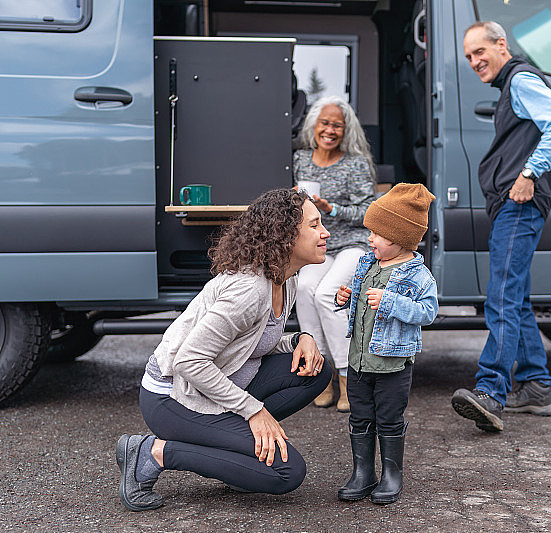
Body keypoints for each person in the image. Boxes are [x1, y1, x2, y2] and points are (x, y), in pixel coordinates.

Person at [116, 189, 333, 511]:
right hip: (174, 398)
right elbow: (189, 361)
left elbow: (254, 341)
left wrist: (301, 339)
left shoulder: (285, 278)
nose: (325, 233)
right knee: (286, 473)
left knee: (317, 370)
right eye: (314, 225)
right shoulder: (248, 289)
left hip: (220, 384)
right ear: (286, 236)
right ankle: (152, 452)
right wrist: (253, 411)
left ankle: (235, 458)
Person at [451, 21, 551, 432]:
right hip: (514, 203)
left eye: (479, 52)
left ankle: (491, 391)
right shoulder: (513, 86)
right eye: (469, 56)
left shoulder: (521, 80)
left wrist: (529, 173)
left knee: (502, 294)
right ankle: (538, 387)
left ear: (501, 45)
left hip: (519, 203)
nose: (474, 61)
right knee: (517, 297)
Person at [334, 183, 438, 505]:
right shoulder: (367, 263)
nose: (369, 239)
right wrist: (345, 298)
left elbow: (428, 312)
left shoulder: (418, 276)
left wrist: (392, 302)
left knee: (389, 418)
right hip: (359, 362)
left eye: (375, 233)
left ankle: (392, 475)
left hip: (392, 366)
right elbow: (357, 299)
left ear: (397, 237)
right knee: (360, 416)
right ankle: (362, 473)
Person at [293, 95, 376, 413]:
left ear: (346, 130)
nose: (329, 130)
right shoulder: (300, 160)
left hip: (352, 244)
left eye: (336, 125)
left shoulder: (354, 163)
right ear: (314, 125)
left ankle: (346, 376)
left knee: (329, 294)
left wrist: (333, 208)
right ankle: (321, 373)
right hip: (319, 245)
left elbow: (370, 210)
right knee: (303, 288)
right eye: (324, 123)